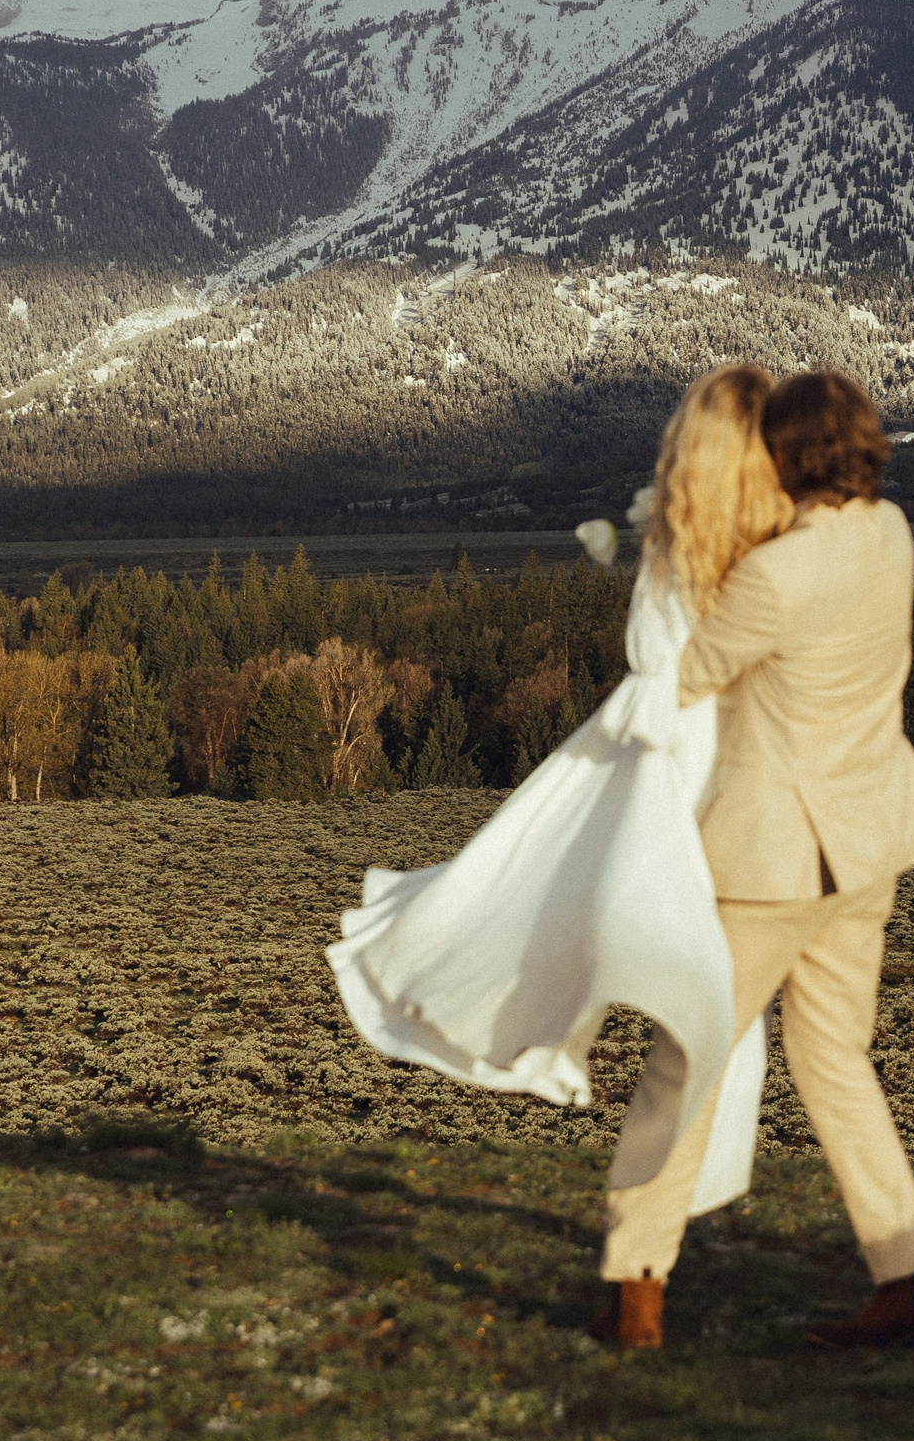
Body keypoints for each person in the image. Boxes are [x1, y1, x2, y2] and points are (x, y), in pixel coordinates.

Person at [326, 365, 795, 1228]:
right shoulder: (770, 547)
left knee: (657, 968)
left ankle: (652, 1220)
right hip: (720, 774)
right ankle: (669, 1211)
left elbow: (652, 648)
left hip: (663, 767)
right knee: (719, 996)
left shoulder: (675, 544)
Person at [592, 368, 914, 1353]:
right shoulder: (892, 533)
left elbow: (685, 679)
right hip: (870, 843)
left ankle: (636, 1284)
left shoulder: (775, 576)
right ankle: (910, 1272)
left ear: (785, 460)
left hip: (773, 864)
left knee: (685, 1059)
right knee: (835, 1058)